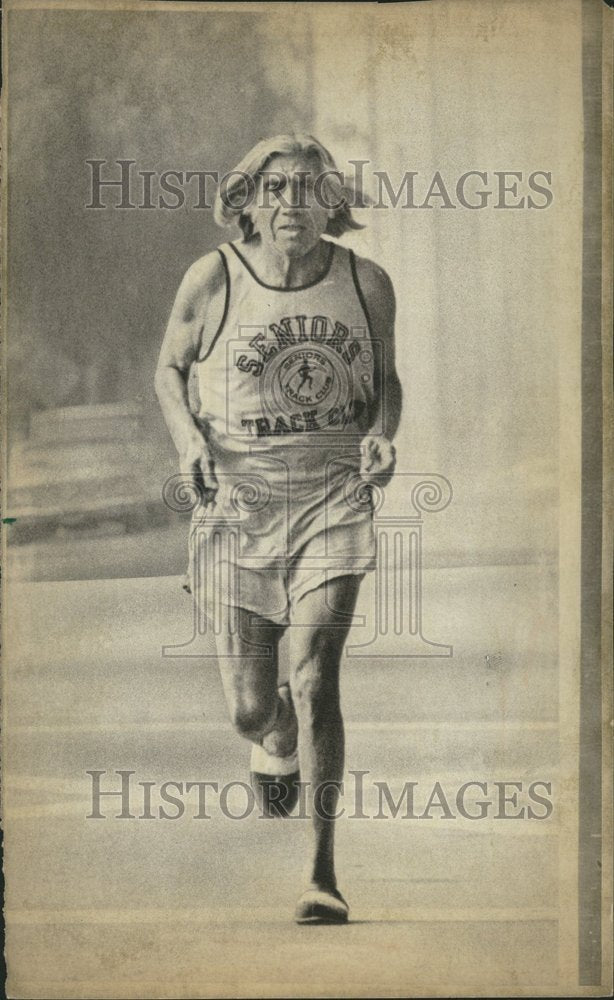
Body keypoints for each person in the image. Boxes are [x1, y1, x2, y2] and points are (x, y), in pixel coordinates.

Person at [155, 134, 402, 924]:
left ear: (333, 201)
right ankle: (275, 733)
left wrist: (382, 434)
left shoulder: (365, 282)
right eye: (278, 188)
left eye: (310, 188)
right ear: (250, 201)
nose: (293, 203)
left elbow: (386, 384)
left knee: (319, 675)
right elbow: (168, 369)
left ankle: (322, 874)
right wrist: (190, 440)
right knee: (250, 708)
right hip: (239, 502)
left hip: (332, 496)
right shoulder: (214, 277)